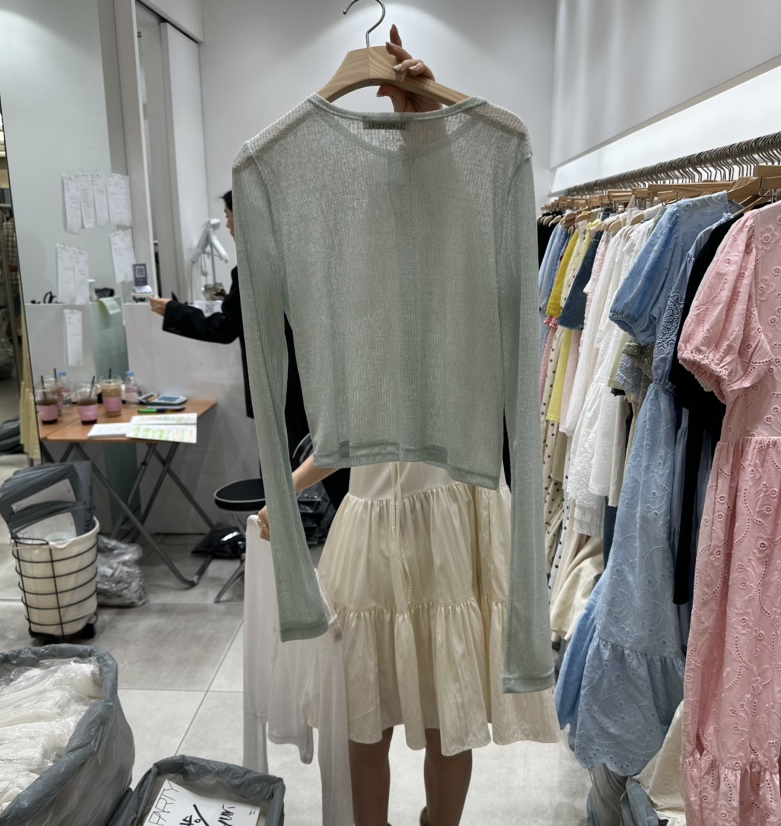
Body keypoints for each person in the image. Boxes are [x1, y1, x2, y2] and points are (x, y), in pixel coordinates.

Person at [257, 27, 558, 826]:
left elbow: (473, 204)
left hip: (444, 508)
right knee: (385, 705)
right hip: (401, 512)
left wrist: (431, 115)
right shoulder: (369, 292)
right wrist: (286, 491)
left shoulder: (452, 253)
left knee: (425, 707)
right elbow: (352, 428)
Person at [150, 192, 349, 507]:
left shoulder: (256, 266)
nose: (227, 223)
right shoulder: (290, 256)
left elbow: (225, 327)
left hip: (285, 391)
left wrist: (174, 311)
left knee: (292, 477)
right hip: (309, 384)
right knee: (325, 468)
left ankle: (285, 532)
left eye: (228, 215)